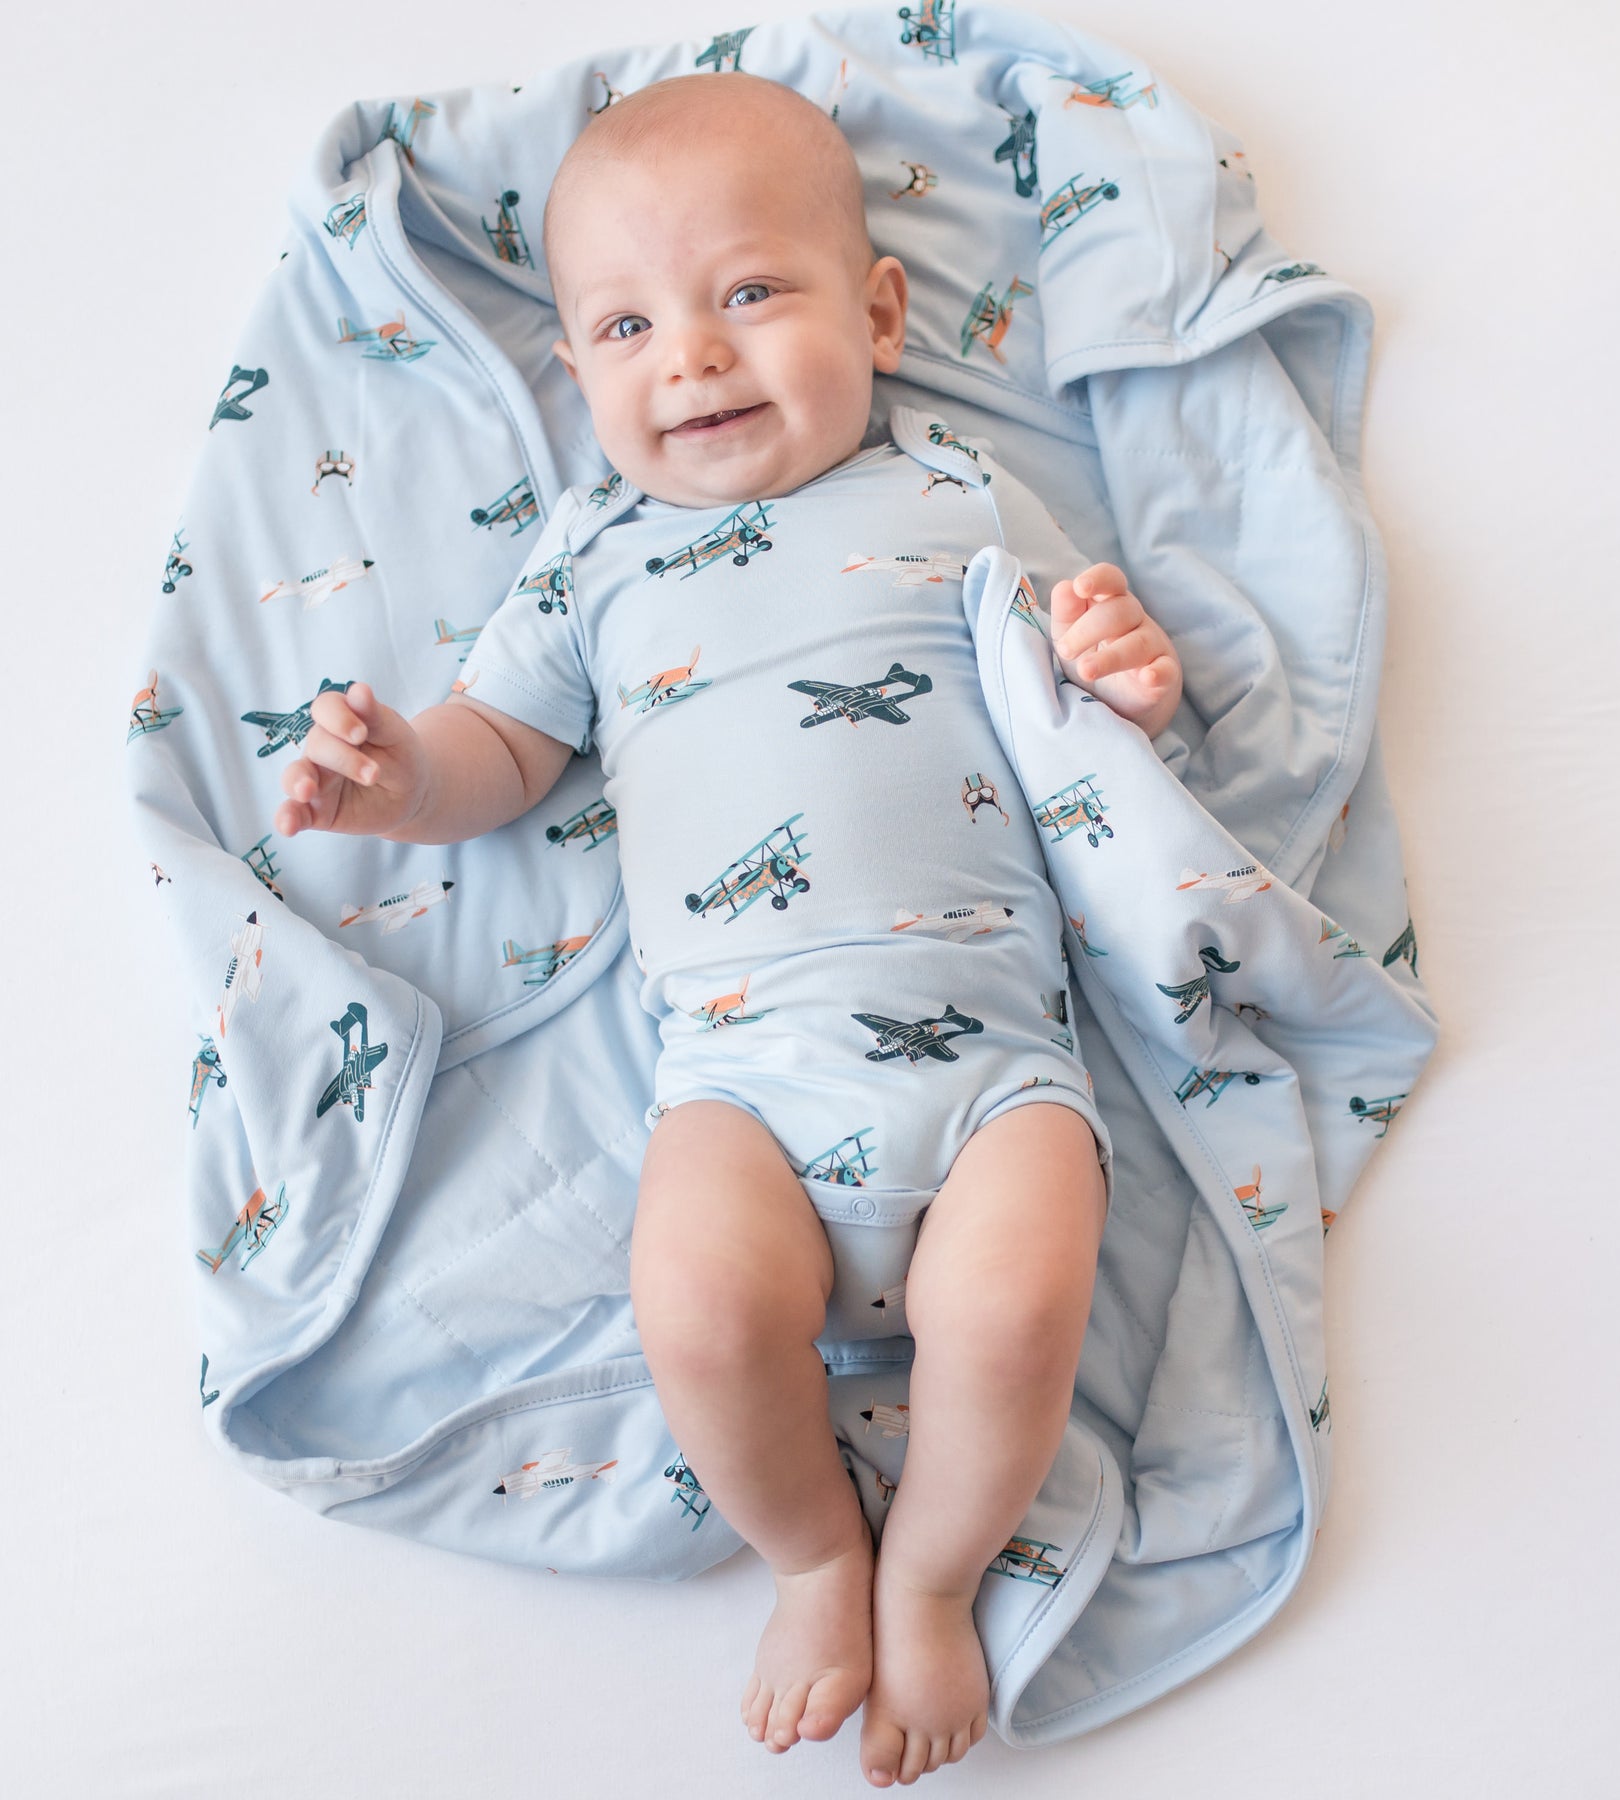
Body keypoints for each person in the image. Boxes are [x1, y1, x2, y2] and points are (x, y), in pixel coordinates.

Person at [272, 71, 1182, 1788]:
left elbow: (1086, 679)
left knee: (1022, 1304)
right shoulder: (589, 562)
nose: (688, 355)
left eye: (749, 293)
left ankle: (932, 1563)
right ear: (577, 373)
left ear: (881, 310)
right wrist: (398, 779)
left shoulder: (959, 494)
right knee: (694, 1312)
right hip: (743, 1086)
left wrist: (1129, 671)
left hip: (990, 1067)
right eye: (624, 325)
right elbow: (502, 758)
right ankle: (818, 1553)